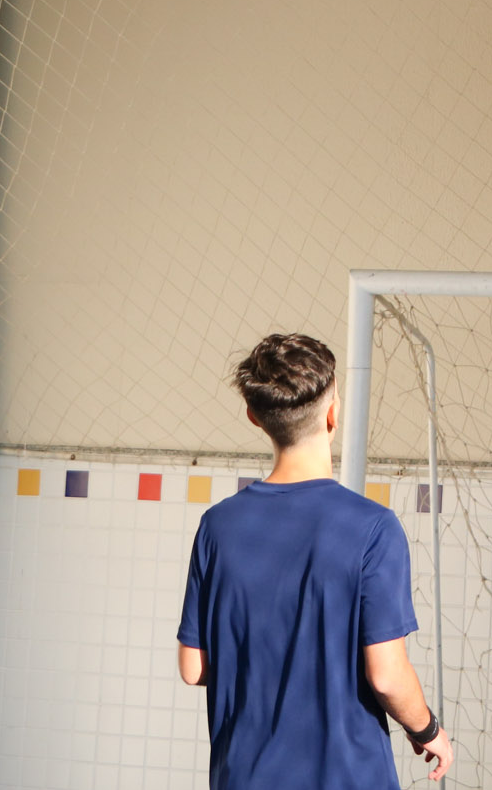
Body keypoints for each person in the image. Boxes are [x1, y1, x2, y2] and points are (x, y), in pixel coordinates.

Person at [177, 333, 454, 788]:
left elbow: (194, 668)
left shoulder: (217, 526)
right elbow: (386, 676)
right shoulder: (374, 528)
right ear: (332, 414)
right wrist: (427, 729)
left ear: (254, 417)